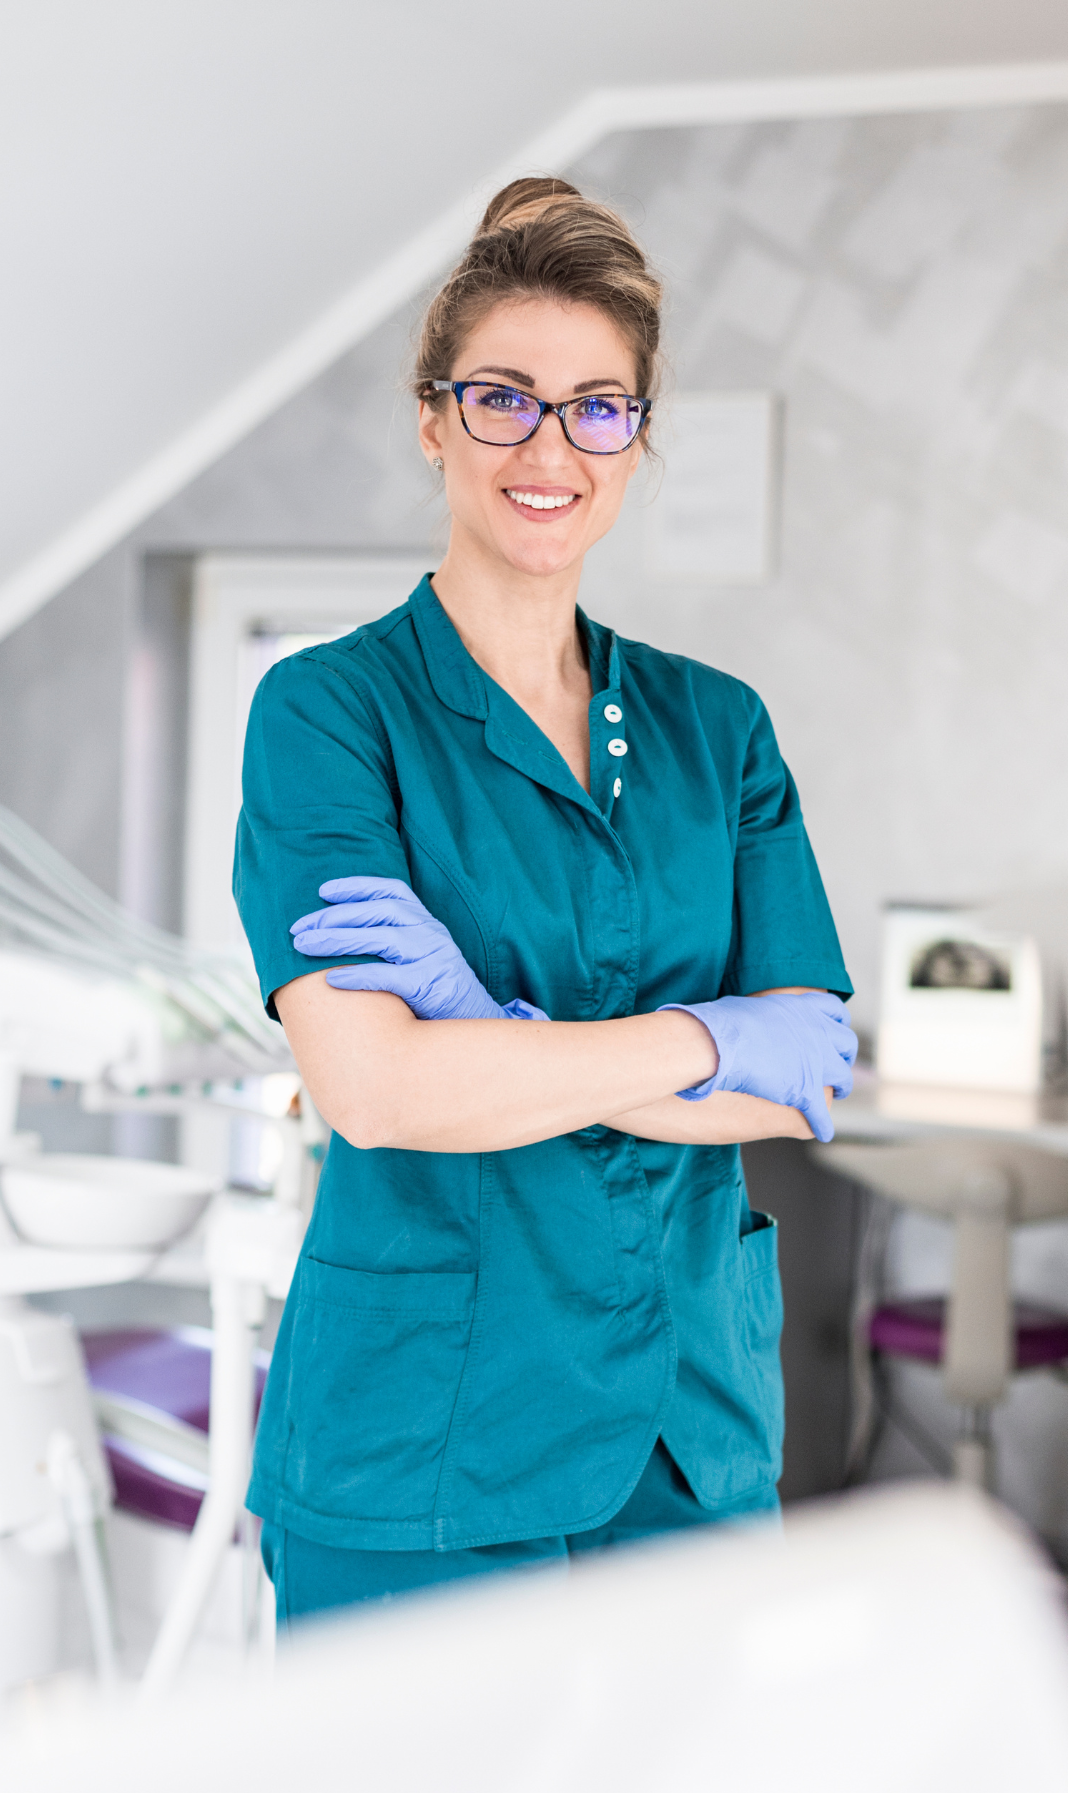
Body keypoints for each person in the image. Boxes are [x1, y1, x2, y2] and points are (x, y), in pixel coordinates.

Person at [234, 177, 855, 1623]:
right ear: (433, 416)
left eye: (598, 407)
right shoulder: (331, 713)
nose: (550, 447)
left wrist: (498, 1038)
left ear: (636, 443)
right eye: (504, 397)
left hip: (684, 1437)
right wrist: (706, 1041)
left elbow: (809, 1072)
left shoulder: (721, 728)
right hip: (425, 1443)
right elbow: (378, 1088)